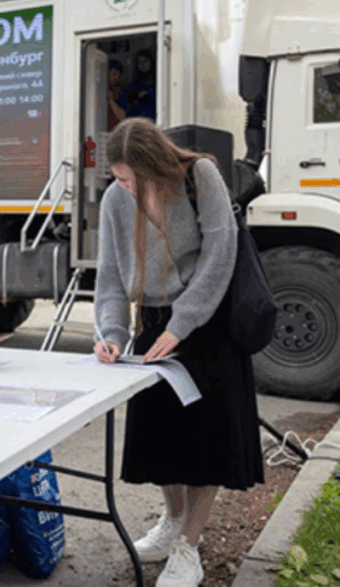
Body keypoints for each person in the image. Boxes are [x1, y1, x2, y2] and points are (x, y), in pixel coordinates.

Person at [94, 119, 263, 587]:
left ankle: (189, 548)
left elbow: (220, 252)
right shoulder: (114, 200)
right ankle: (172, 521)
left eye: (129, 178)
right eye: (118, 177)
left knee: (208, 443)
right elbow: (109, 275)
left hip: (207, 325)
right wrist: (111, 333)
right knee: (161, 437)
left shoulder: (200, 176)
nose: (123, 187)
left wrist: (184, 321)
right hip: (150, 325)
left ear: (154, 166)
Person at [126, 49, 157, 121]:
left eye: (145, 60)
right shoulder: (134, 83)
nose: (142, 64)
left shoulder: (158, 81)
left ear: (151, 62)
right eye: (139, 62)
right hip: (136, 122)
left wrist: (148, 94)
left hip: (151, 121)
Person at [107, 59, 128, 132]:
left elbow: (123, 117)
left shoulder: (120, 92)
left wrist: (111, 100)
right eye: (114, 74)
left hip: (115, 132)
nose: (117, 78)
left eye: (118, 75)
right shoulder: (98, 88)